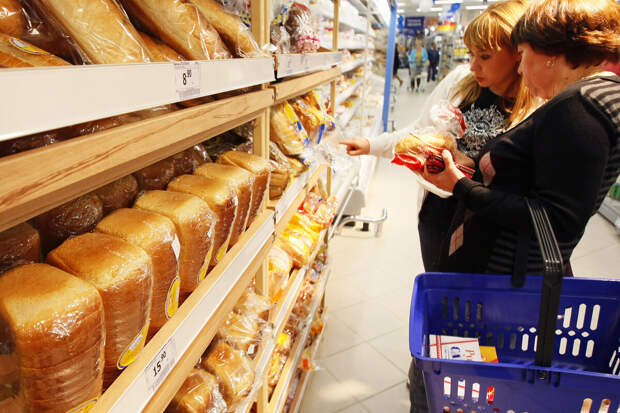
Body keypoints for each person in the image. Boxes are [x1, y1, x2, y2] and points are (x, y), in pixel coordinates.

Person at [341, 2, 540, 412]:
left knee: (484, 318)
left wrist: (471, 175)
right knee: (444, 308)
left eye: (485, 56)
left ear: (517, 54)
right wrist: (372, 145)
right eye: (470, 54)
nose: (474, 65)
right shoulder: (462, 82)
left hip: (492, 227)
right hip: (441, 216)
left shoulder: (536, 106)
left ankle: (470, 390)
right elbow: (419, 134)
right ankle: (430, 383)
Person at [424, 0, 620, 281]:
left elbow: (555, 219)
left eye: (523, 53)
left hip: (505, 279)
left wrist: (460, 186)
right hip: (512, 274)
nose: (519, 69)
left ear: (550, 53)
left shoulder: (580, 107)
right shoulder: (600, 94)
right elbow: (537, 176)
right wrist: (473, 164)